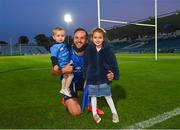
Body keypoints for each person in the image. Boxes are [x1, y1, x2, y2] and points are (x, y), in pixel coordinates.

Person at [52, 28, 114, 116]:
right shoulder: (66, 52)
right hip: (70, 82)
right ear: (73, 39)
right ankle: (66, 97)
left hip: (84, 82)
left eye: (82, 38)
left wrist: (109, 75)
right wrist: (63, 70)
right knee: (76, 112)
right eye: (76, 38)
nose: (79, 40)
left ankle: (90, 104)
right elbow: (53, 72)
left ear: (86, 40)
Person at [83, 28, 120, 123]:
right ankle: (94, 114)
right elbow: (85, 64)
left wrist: (114, 74)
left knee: (107, 96)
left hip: (104, 77)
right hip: (91, 77)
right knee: (93, 96)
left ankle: (114, 113)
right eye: (95, 37)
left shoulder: (108, 50)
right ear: (92, 38)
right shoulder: (88, 49)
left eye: (100, 37)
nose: (97, 39)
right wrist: (85, 77)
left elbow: (113, 63)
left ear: (103, 38)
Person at [50, 27, 73, 97]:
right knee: (71, 75)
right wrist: (55, 65)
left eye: (62, 36)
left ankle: (62, 89)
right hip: (62, 65)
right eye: (58, 36)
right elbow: (53, 57)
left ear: (65, 36)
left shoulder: (65, 45)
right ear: (54, 37)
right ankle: (66, 88)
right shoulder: (54, 47)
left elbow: (69, 50)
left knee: (65, 77)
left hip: (67, 63)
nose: (60, 38)